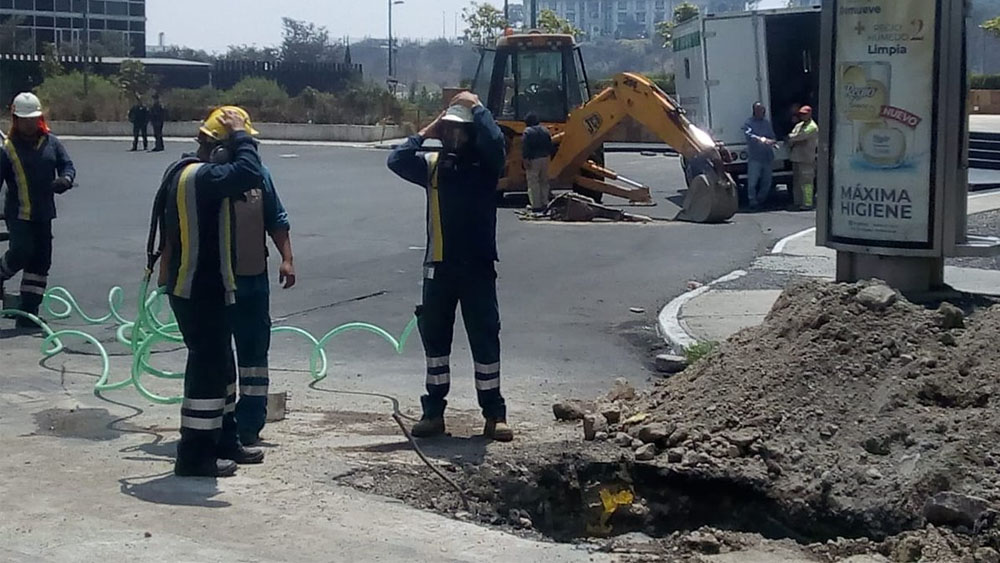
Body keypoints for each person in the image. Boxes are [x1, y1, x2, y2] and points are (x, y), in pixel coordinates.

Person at [387, 92, 513, 442]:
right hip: (439, 268)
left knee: (485, 340)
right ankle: (433, 413)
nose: (455, 136)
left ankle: (494, 414)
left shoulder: (486, 165)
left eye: (461, 130)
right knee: (436, 343)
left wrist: (477, 108)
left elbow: (496, 143)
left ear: (471, 132)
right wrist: (428, 129)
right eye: (450, 130)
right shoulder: (433, 166)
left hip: (478, 268)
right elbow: (396, 159)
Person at [153, 106, 266, 477]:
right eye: (231, 147)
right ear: (219, 150)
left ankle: (223, 440)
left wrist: (239, 139)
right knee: (206, 369)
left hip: (209, 286)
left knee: (222, 367)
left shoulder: (196, 173)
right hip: (196, 288)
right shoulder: (200, 176)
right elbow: (249, 173)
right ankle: (195, 455)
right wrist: (241, 136)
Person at [230, 160, 296, 447]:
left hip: (251, 279)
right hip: (211, 283)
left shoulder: (259, 175)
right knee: (215, 356)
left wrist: (287, 259)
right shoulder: (199, 175)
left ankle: (248, 424)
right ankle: (219, 424)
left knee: (255, 353)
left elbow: (276, 219)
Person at [0, 92, 76, 330]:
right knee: (21, 251)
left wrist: (65, 179)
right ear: (16, 120)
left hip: (44, 214)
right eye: (24, 120)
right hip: (19, 213)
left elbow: (67, 165)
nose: (29, 124)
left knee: (40, 264)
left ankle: (28, 312)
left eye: (33, 119)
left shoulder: (51, 142)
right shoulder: (7, 149)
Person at [743, 102, 776, 210]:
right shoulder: (749, 123)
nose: (761, 112)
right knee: (752, 182)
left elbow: (772, 136)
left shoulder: (766, 123)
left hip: (767, 157)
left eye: (762, 110)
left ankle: (761, 199)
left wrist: (772, 141)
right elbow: (749, 135)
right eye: (759, 110)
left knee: (767, 181)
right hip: (755, 157)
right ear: (754, 111)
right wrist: (762, 139)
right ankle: (752, 201)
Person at [787, 105, 819, 211]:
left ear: (810, 114)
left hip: (806, 159)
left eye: (805, 114)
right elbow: (792, 136)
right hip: (796, 157)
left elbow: (798, 136)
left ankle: (808, 203)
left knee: (807, 183)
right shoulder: (799, 125)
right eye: (801, 114)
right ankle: (798, 202)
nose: (802, 116)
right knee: (797, 182)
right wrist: (793, 138)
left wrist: (793, 138)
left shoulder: (812, 127)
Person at [522, 112, 553, 213]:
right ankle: (545, 202)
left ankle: (536, 205)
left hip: (533, 159)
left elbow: (526, 146)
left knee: (533, 182)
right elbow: (550, 144)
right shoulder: (545, 130)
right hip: (545, 158)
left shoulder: (527, 132)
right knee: (544, 181)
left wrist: (525, 159)